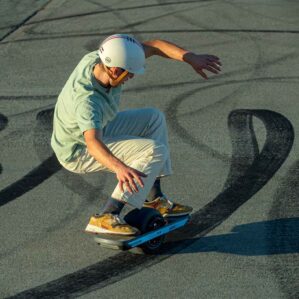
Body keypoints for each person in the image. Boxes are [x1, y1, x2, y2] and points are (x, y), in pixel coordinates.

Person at [51, 34, 221, 236]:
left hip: (97, 128)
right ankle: (107, 215)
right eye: (129, 73)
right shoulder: (87, 101)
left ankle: (154, 199)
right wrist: (119, 167)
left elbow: (155, 46)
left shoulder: (103, 59)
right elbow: (93, 142)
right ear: (114, 70)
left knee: (153, 118)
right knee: (154, 150)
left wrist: (190, 57)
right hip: (79, 150)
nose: (131, 77)